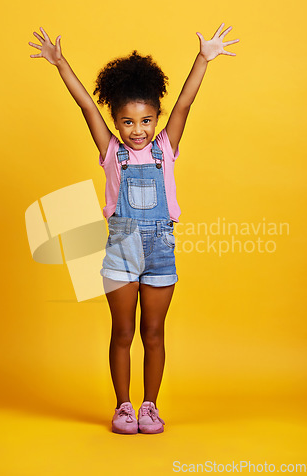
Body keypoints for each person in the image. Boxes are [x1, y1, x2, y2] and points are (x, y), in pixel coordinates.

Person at [28, 24, 239, 434]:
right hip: (121, 247)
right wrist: (60, 63)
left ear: (156, 119)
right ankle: (123, 406)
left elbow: (184, 105)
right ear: (116, 122)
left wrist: (203, 59)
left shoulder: (165, 147)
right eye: (126, 122)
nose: (137, 130)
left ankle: (149, 407)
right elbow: (87, 105)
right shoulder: (111, 151)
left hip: (160, 247)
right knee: (123, 331)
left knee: (154, 332)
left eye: (145, 120)